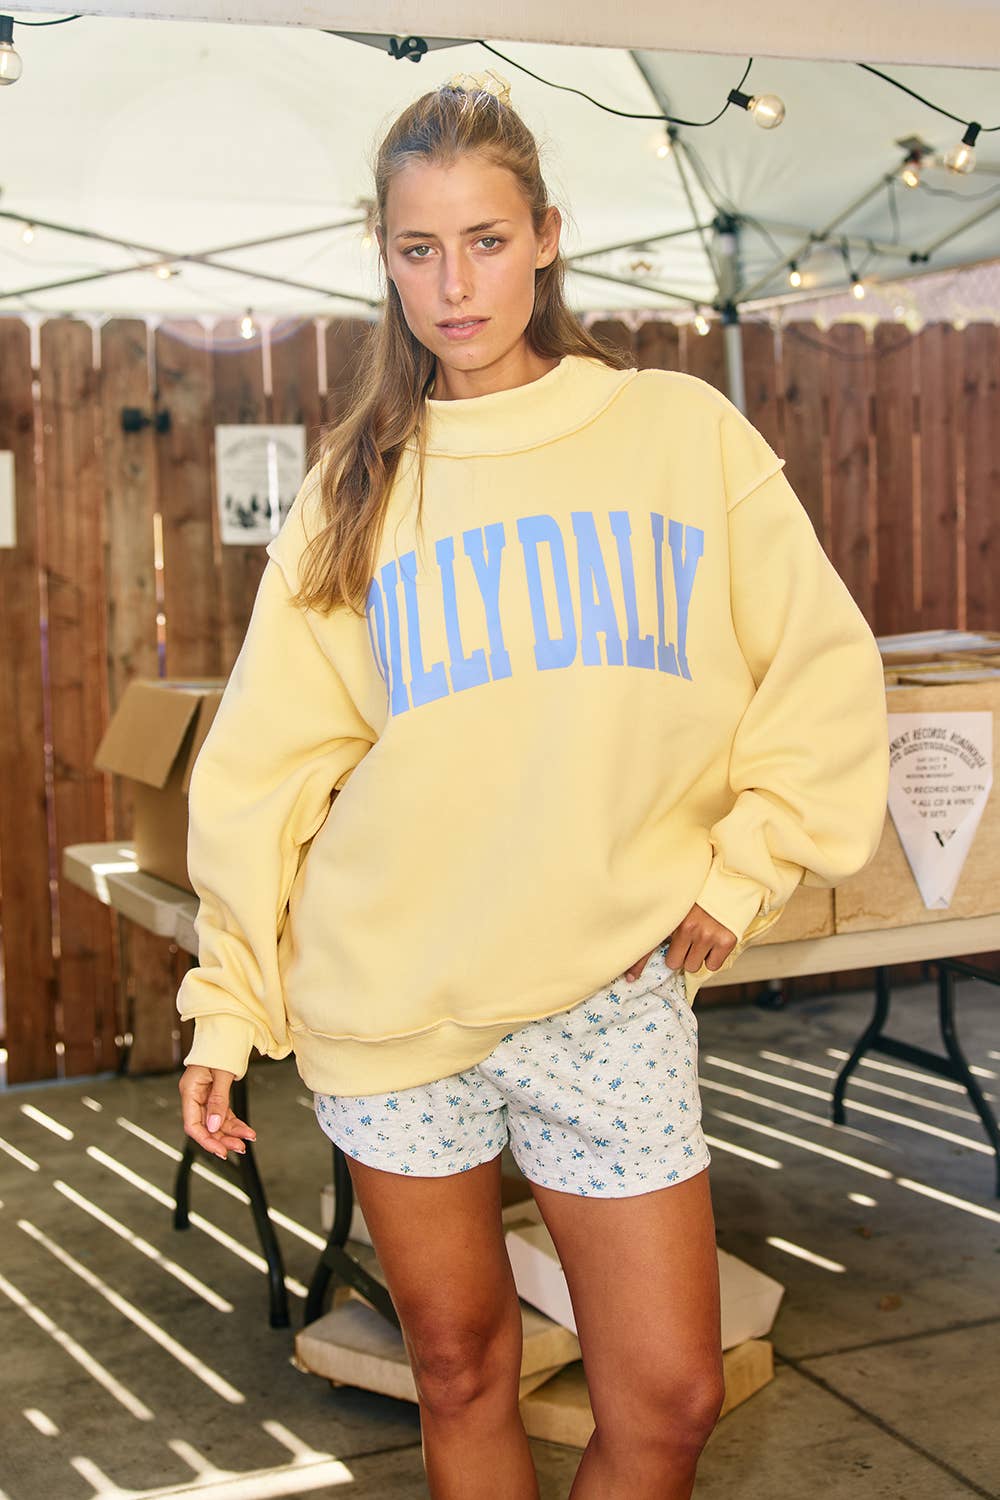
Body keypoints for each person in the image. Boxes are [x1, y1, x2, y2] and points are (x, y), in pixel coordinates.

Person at [176, 69, 889, 1500]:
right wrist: (229, 1001)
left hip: (608, 991)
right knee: (458, 1369)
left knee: (671, 1399)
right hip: (395, 998)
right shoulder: (357, 485)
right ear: (385, 259)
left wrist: (744, 867)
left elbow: (819, 665)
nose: (455, 285)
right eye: (419, 248)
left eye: (487, 241)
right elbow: (264, 768)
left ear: (548, 237)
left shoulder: (676, 434)